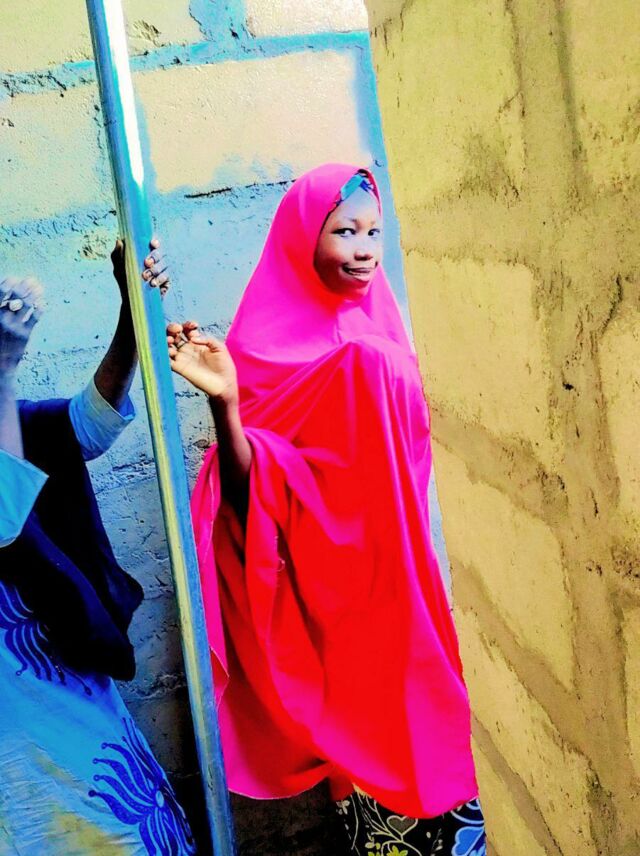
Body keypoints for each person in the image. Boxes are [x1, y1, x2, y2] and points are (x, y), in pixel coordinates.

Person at [167, 164, 485, 856]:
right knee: (378, 780)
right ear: (303, 239)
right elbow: (251, 498)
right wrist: (226, 403)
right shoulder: (259, 354)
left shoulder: (386, 331)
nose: (365, 249)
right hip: (336, 605)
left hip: (412, 588)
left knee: (456, 769)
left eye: (374, 231)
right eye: (345, 232)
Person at [0, 244, 196, 855]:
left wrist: (131, 316)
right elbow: (5, 518)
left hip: (73, 708)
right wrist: (1, 372)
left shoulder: (18, 423)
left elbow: (88, 425)